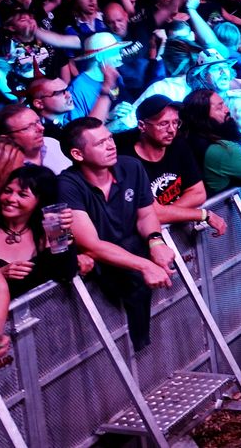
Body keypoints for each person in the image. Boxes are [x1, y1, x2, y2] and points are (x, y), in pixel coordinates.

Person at [58, 116, 175, 350]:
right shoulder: (68, 185)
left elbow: (146, 215)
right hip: (103, 270)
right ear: (78, 154)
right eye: (100, 143)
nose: (111, 145)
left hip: (135, 254)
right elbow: (91, 245)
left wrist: (156, 241)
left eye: (110, 138)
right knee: (111, 343)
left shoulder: (130, 166)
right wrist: (145, 265)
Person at [121, 95, 228, 235]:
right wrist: (202, 214)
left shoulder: (178, 144)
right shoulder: (128, 163)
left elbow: (198, 193)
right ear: (142, 126)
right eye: (163, 124)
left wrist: (167, 213)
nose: (172, 130)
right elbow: (151, 213)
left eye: (176, 122)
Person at [0, 164, 93, 296]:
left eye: (22, 195)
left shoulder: (48, 231)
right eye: (7, 191)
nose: (11, 199)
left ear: (40, 200)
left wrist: (61, 230)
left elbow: (66, 273)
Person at [0, 102, 72, 174]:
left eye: (38, 122)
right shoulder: (6, 169)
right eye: (28, 127)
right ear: (7, 139)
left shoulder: (52, 143)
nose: (41, 128)